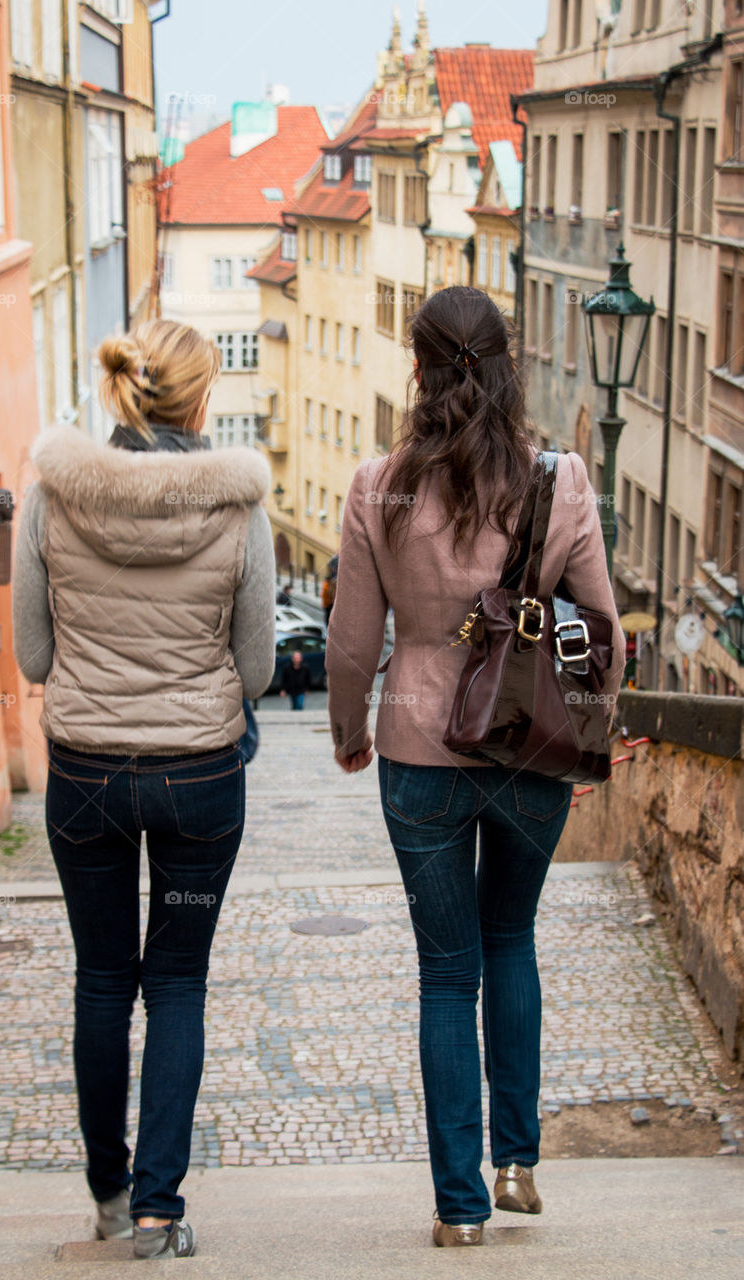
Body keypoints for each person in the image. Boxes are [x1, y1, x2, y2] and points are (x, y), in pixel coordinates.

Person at [325, 286, 625, 1247]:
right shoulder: (559, 480)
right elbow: (604, 636)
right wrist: (593, 731)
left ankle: (458, 1211)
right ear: (507, 366)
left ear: (415, 371)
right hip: (528, 749)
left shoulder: (379, 485)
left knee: (445, 973)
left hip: (417, 751)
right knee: (512, 944)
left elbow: (346, 642)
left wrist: (346, 730)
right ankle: (517, 1162)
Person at [12, 319, 276, 1259]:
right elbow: (254, 673)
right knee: (176, 982)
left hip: (84, 775)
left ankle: (109, 1195)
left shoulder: (50, 501)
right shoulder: (240, 512)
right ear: (202, 399)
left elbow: (35, 655)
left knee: (98, 979)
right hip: (198, 779)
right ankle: (162, 1208)